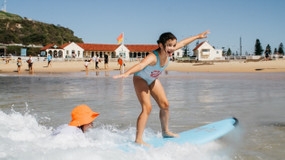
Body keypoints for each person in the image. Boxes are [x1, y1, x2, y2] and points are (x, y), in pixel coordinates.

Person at [113, 30, 210, 145]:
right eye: (169, 45)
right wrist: (126, 73)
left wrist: (198, 36)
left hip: (153, 79)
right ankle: (138, 139)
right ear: (161, 45)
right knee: (147, 108)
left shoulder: (170, 51)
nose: (172, 48)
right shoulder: (153, 56)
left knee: (165, 105)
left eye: (174, 45)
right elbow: (141, 65)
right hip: (140, 79)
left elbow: (183, 43)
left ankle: (165, 131)